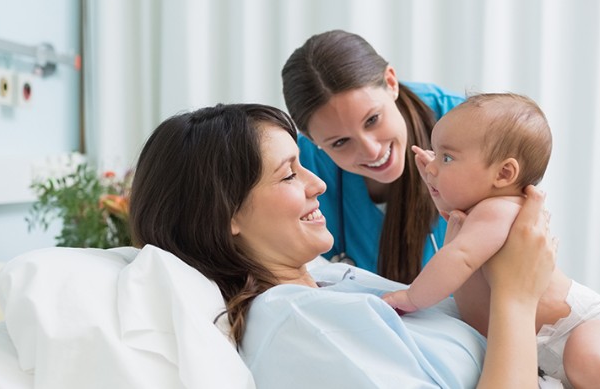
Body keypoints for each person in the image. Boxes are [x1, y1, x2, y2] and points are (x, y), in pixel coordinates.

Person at [129, 103, 557, 388]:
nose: (318, 183)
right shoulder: (303, 327)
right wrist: (516, 298)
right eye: (288, 175)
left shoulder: (329, 279)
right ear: (228, 215)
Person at [381, 93, 600, 388]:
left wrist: (412, 297)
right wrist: (438, 180)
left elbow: (459, 258)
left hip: (580, 326)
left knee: (588, 359)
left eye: (447, 158)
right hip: (541, 352)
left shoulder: (499, 210)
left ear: (505, 173)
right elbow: (452, 215)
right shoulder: (477, 214)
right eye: (434, 154)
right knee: (581, 368)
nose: (431, 167)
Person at [281, 29, 464, 284]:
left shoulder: (466, 124)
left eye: (372, 119)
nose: (371, 151)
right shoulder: (301, 169)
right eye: (340, 142)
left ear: (391, 83)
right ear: (311, 138)